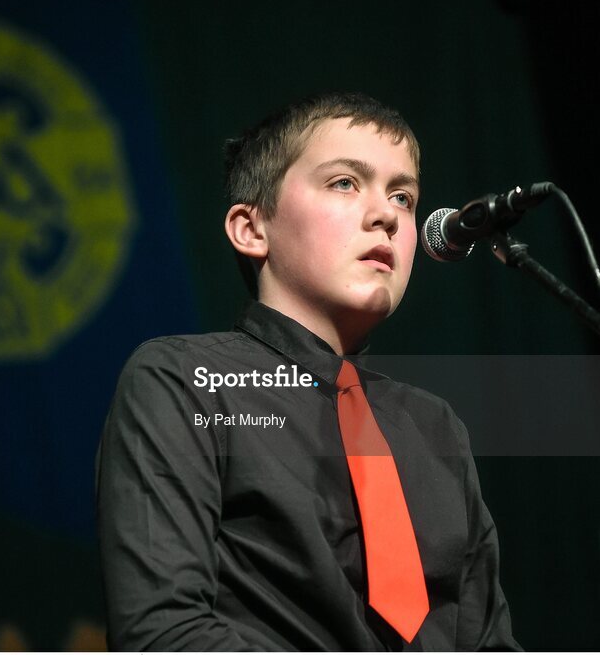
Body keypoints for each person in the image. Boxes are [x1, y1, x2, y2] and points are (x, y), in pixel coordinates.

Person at [96, 92, 520, 651]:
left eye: (404, 196)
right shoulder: (185, 382)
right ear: (252, 229)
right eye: (345, 183)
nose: (386, 214)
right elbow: (164, 632)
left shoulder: (435, 428)